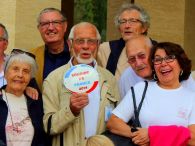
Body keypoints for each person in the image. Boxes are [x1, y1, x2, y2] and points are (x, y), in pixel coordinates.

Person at [42, 22, 120, 146]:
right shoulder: (54, 79)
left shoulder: (109, 78)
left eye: (91, 41)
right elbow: (49, 127)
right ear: (70, 44)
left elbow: (116, 121)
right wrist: (71, 110)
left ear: (98, 45)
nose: (85, 46)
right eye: (79, 41)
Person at [107, 42, 195, 146]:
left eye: (169, 58)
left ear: (181, 64)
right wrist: (137, 135)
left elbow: (192, 138)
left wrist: (152, 134)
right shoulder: (141, 89)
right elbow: (113, 122)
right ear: (153, 67)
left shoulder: (191, 98)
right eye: (157, 60)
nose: (163, 64)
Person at [119, 35, 195, 98]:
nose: (138, 63)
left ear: (153, 54)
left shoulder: (176, 76)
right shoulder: (127, 77)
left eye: (142, 56)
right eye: (132, 59)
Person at [0, 51, 47, 145]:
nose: (20, 75)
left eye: (26, 71)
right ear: (5, 74)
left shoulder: (36, 102)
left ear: (30, 78)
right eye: (15, 69)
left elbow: (43, 138)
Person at [97, 3, 150, 80]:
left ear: (144, 27)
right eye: (123, 21)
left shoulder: (155, 49)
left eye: (132, 21)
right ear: (119, 28)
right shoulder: (106, 49)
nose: (127, 26)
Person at [30, 7, 70, 90]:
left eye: (55, 22)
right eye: (45, 24)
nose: (51, 28)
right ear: (39, 29)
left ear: (65, 26)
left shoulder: (77, 53)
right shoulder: (32, 57)